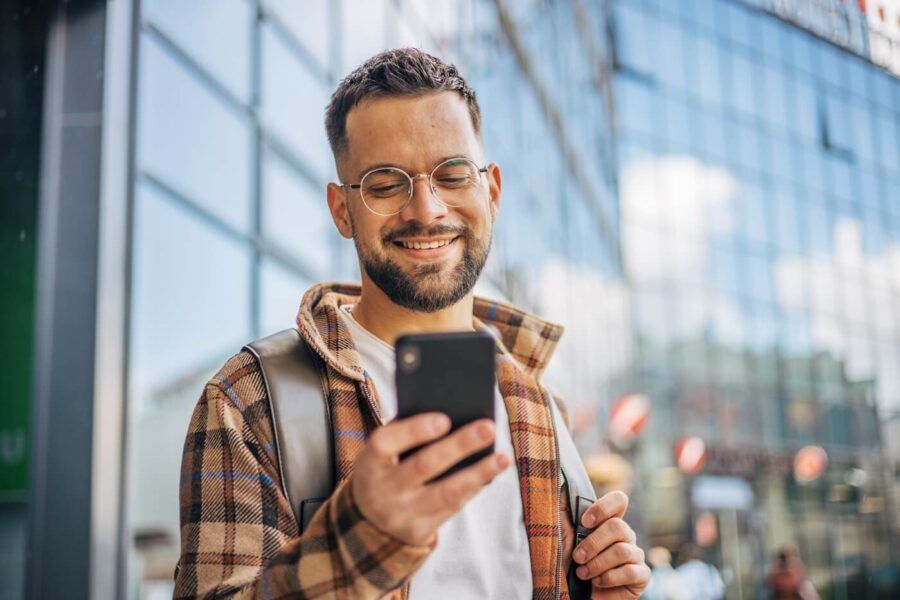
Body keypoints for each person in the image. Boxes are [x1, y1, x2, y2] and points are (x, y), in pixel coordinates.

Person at [173, 47, 650, 599]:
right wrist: (358, 543)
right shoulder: (249, 399)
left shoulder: (544, 406)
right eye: (384, 184)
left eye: (451, 175)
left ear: (490, 191)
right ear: (342, 210)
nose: (426, 209)